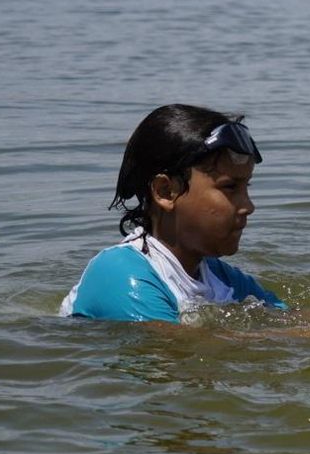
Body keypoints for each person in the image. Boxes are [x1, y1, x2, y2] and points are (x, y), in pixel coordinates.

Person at [60, 104, 286, 323]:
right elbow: (174, 348)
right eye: (229, 187)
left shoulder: (223, 279)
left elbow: (294, 321)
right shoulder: (119, 273)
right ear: (165, 192)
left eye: (247, 186)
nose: (249, 205)